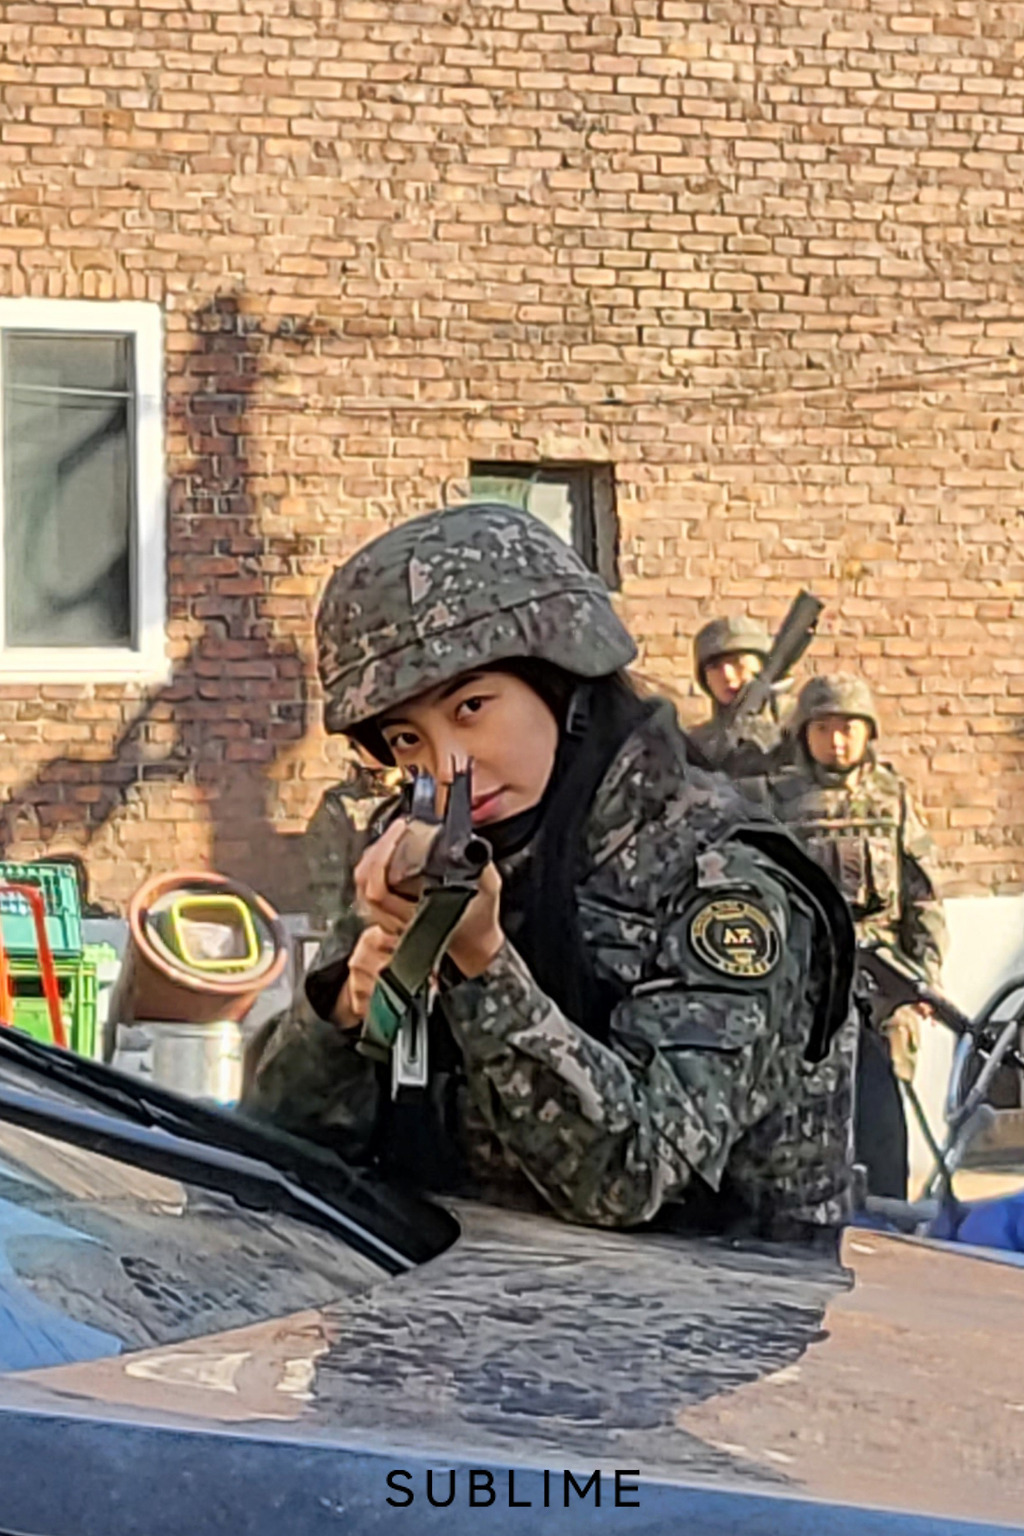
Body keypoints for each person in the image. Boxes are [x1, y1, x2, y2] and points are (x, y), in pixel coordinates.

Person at [245, 503, 856, 1240]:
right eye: (407, 739)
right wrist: (349, 1014)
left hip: (711, 1302)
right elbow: (283, 1147)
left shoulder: (725, 882)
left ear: (563, 682)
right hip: (463, 1290)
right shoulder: (427, 850)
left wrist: (482, 966)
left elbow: (637, 1178)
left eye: (471, 708)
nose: (447, 766)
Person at [769, 674, 947, 1199]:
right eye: (823, 728)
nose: (837, 741)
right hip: (808, 982)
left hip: (883, 980)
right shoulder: (776, 800)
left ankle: (888, 1216)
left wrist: (925, 979)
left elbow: (923, 896)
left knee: (883, 1115)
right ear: (804, 734)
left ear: (869, 732)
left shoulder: (893, 799)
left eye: (848, 728)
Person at [301, 747, 404, 931]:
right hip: (359, 918)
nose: (375, 780)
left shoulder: (422, 800)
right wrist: (334, 924)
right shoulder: (340, 805)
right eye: (369, 773)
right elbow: (327, 873)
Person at [688, 616, 791, 776]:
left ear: (761, 667)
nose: (727, 676)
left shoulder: (798, 730)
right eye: (714, 667)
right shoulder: (694, 744)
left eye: (738, 662)